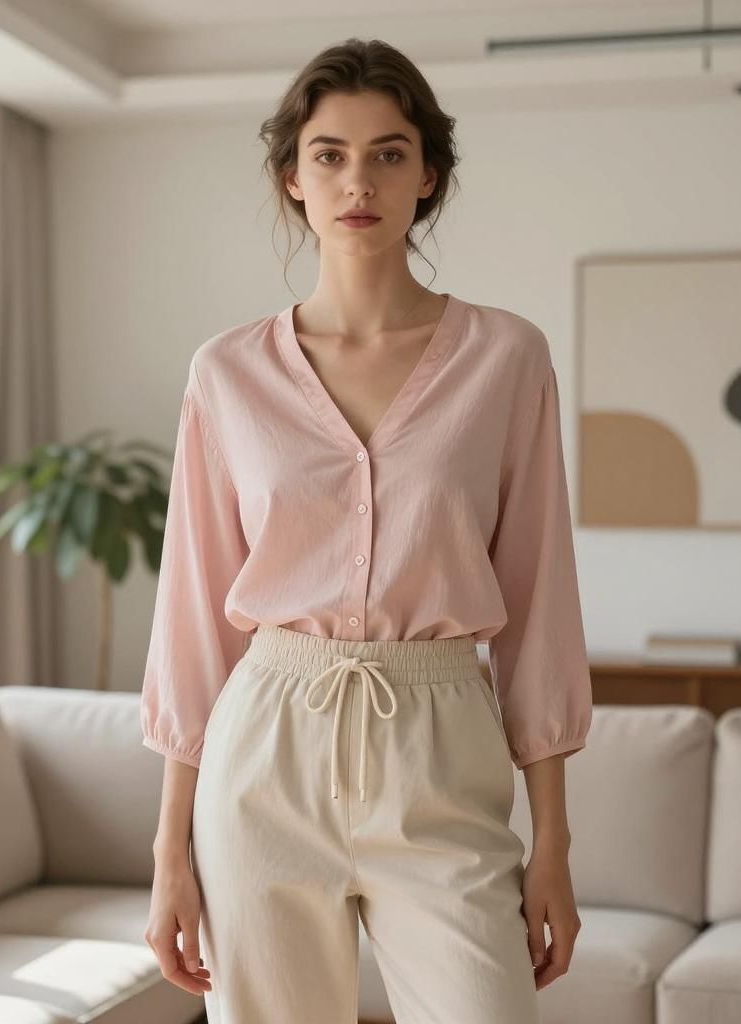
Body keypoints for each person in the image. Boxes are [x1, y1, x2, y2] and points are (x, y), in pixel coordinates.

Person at [140, 36, 592, 1024]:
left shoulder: (506, 358)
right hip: (264, 748)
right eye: (329, 154)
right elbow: (192, 618)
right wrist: (171, 851)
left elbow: (540, 600)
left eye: (389, 152)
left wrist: (551, 842)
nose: (359, 179)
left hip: (439, 747)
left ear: (428, 173)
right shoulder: (226, 373)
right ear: (292, 177)